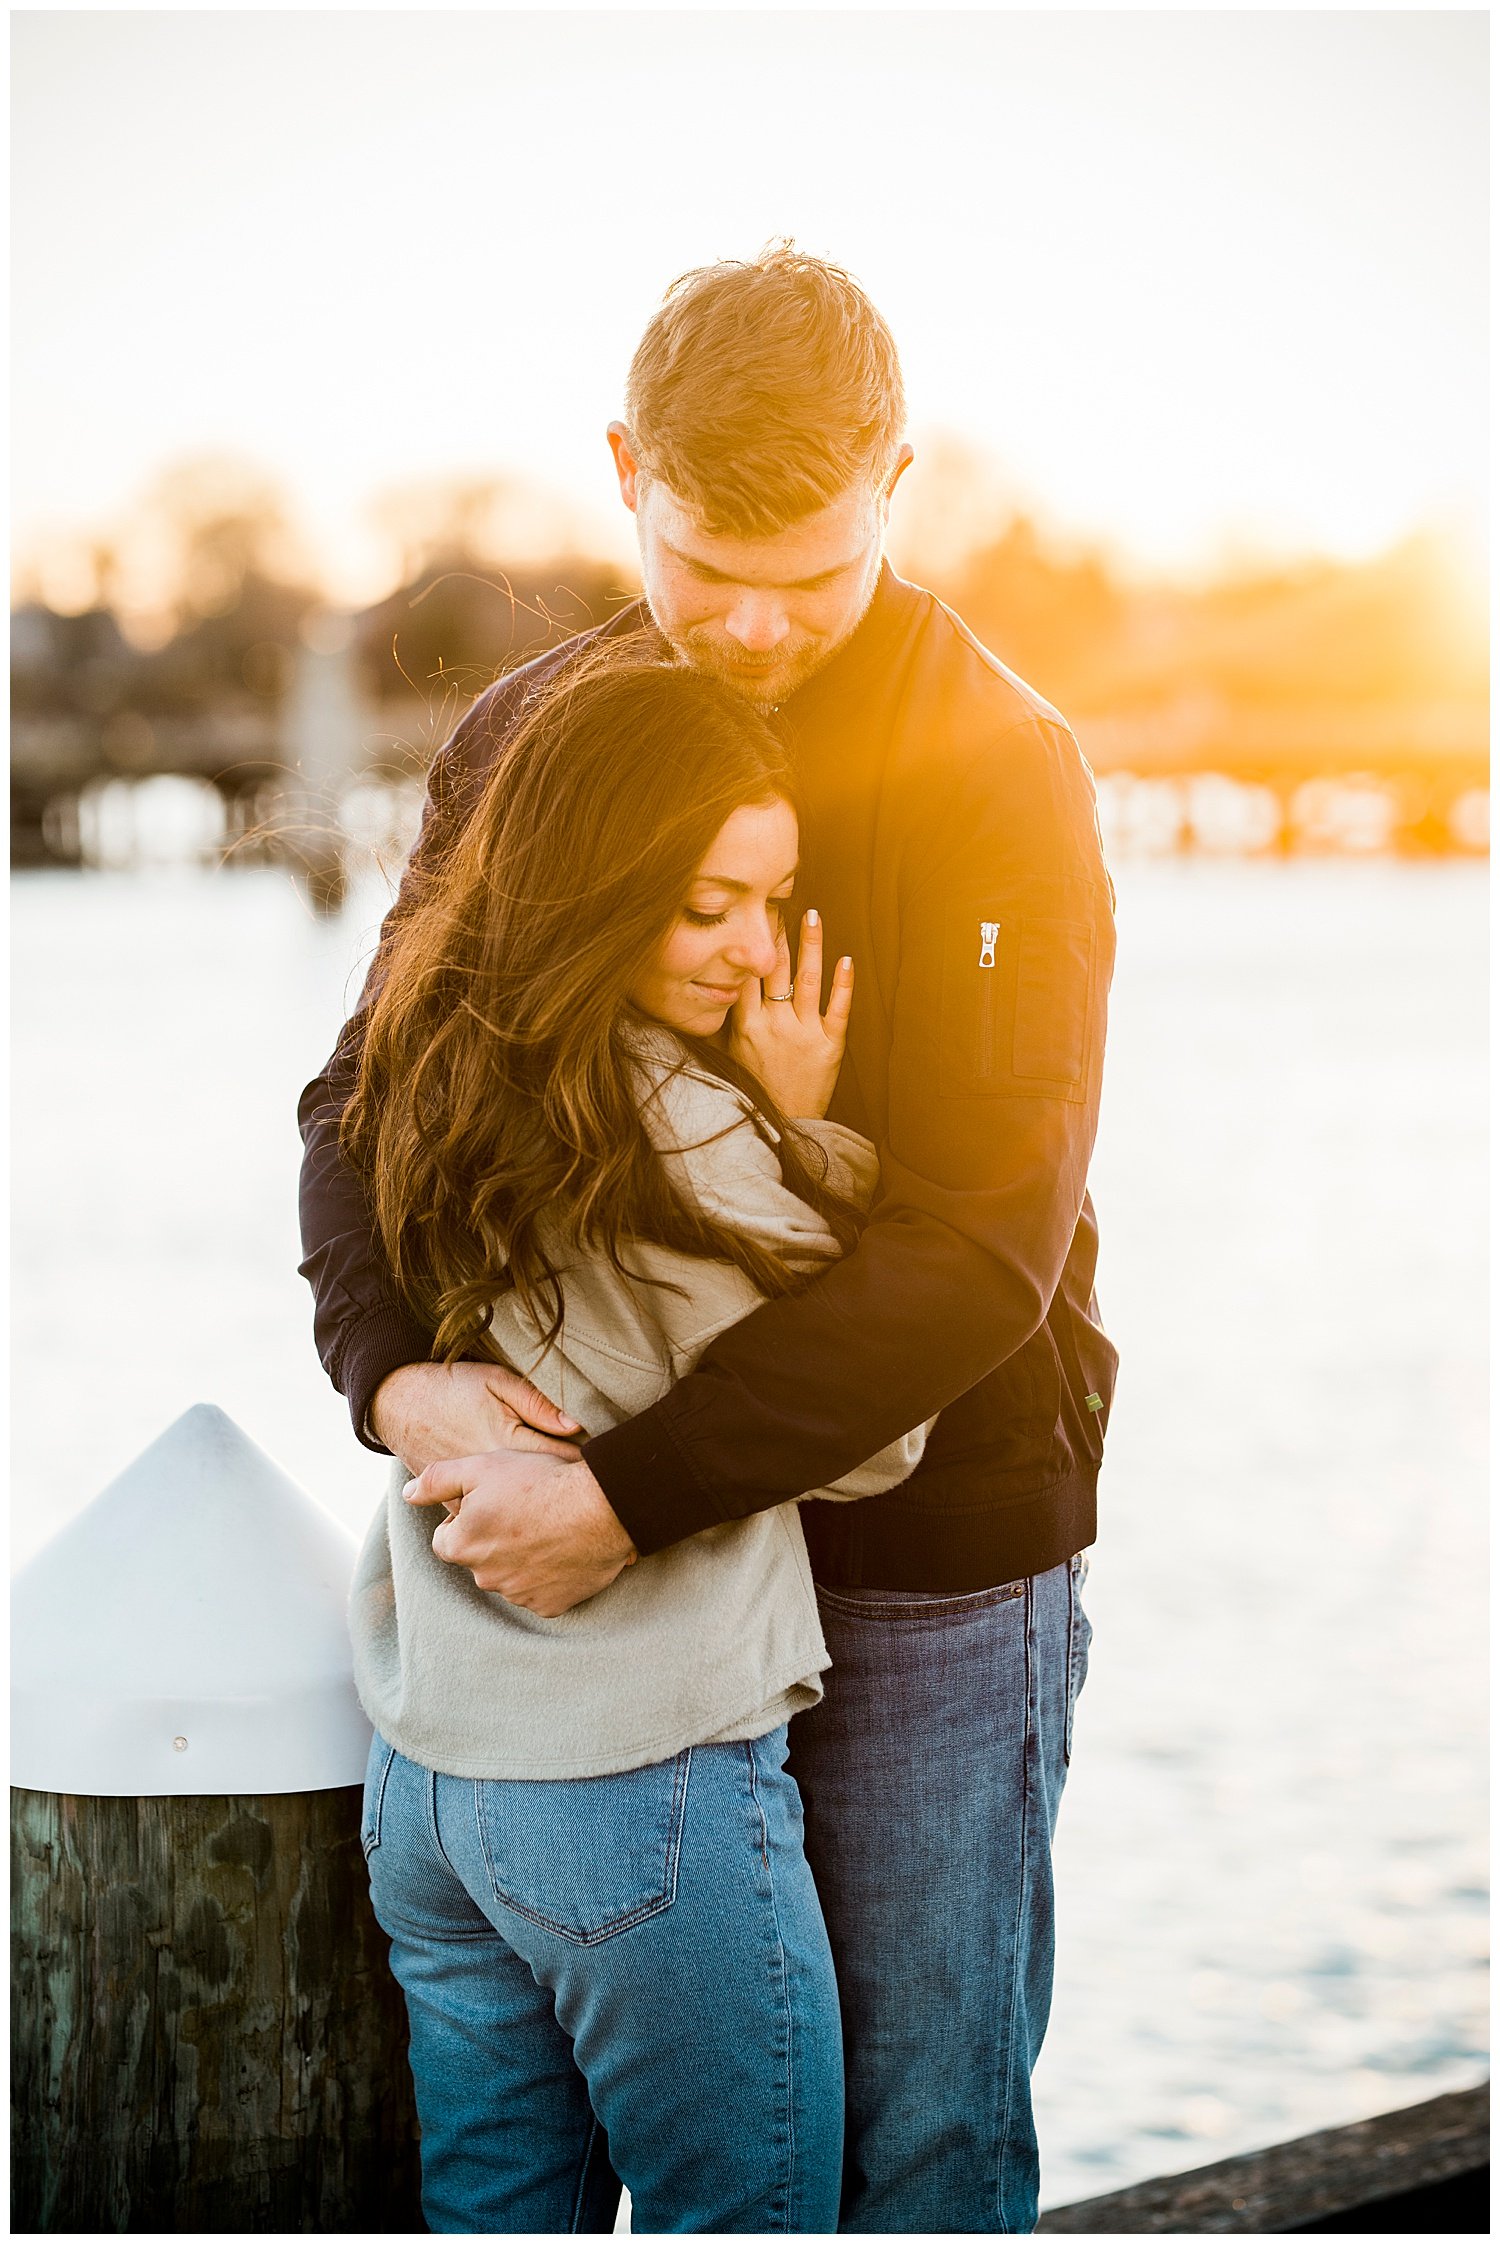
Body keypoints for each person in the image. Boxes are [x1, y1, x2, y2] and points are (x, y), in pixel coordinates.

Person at [300, 243, 1118, 2234]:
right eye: (703, 567)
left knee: (918, 2151)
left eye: (808, 577)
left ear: (896, 485)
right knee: (556, 2153)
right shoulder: (530, 740)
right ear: (624, 473)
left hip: (927, 1572)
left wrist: (632, 1491)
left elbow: (978, 1246)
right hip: (608, 1612)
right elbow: (366, 1105)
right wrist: (397, 1375)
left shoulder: (1003, 776)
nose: (751, 627)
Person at [342, 649, 933, 2232]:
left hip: (433, 1782)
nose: (754, 950)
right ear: (600, 890)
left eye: (773, 899)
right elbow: (879, 1433)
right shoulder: (684, 1117)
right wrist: (799, 1122)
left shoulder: (422, 1059)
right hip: (637, 1783)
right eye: (704, 909)